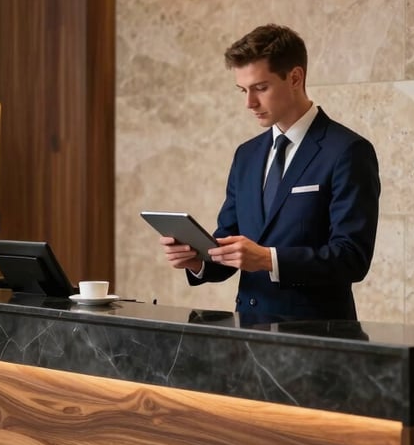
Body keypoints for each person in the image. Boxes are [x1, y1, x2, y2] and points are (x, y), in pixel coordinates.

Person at [160, 24, 380, 320]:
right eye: (243, 90)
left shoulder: (347, 151)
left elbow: (352, 257)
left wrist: (268, 259)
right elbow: (229, 239)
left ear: (295, 78)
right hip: (249, 335)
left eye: (260, 88)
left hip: (318, 338)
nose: (249, 103)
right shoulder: (246, 155)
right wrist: (196, 259)